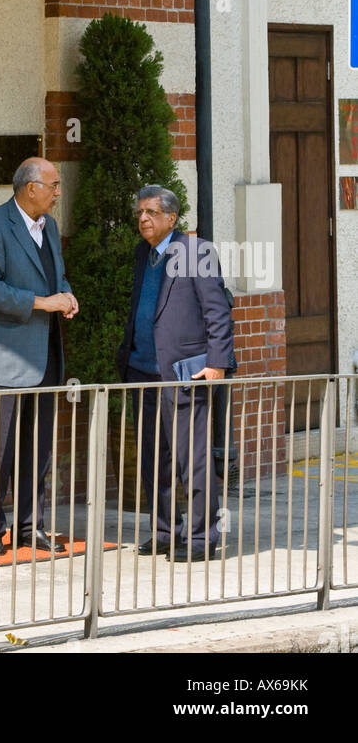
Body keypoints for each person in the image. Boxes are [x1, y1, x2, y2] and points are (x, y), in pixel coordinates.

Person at [117, 184, 235, 562]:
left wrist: (217, 363)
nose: (143, 219)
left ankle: (201, 539)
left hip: (185, 373)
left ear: (171, 217)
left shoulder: (195, 251)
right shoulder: (143, 254)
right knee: (154, 458)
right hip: (143, 371)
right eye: (140, 212)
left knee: (192, 458)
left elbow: (217, 311)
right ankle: (167, 531)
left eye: (151, 212)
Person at [0, 157, 78, 556]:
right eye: (53, 185)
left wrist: (65, 296)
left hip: (47, 356)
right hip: (5, 358)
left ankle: (30, 526)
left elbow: (56, 275)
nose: (58, 192)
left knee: (39, 448)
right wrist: (41, 302)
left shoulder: (49, 227)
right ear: (30, 187)